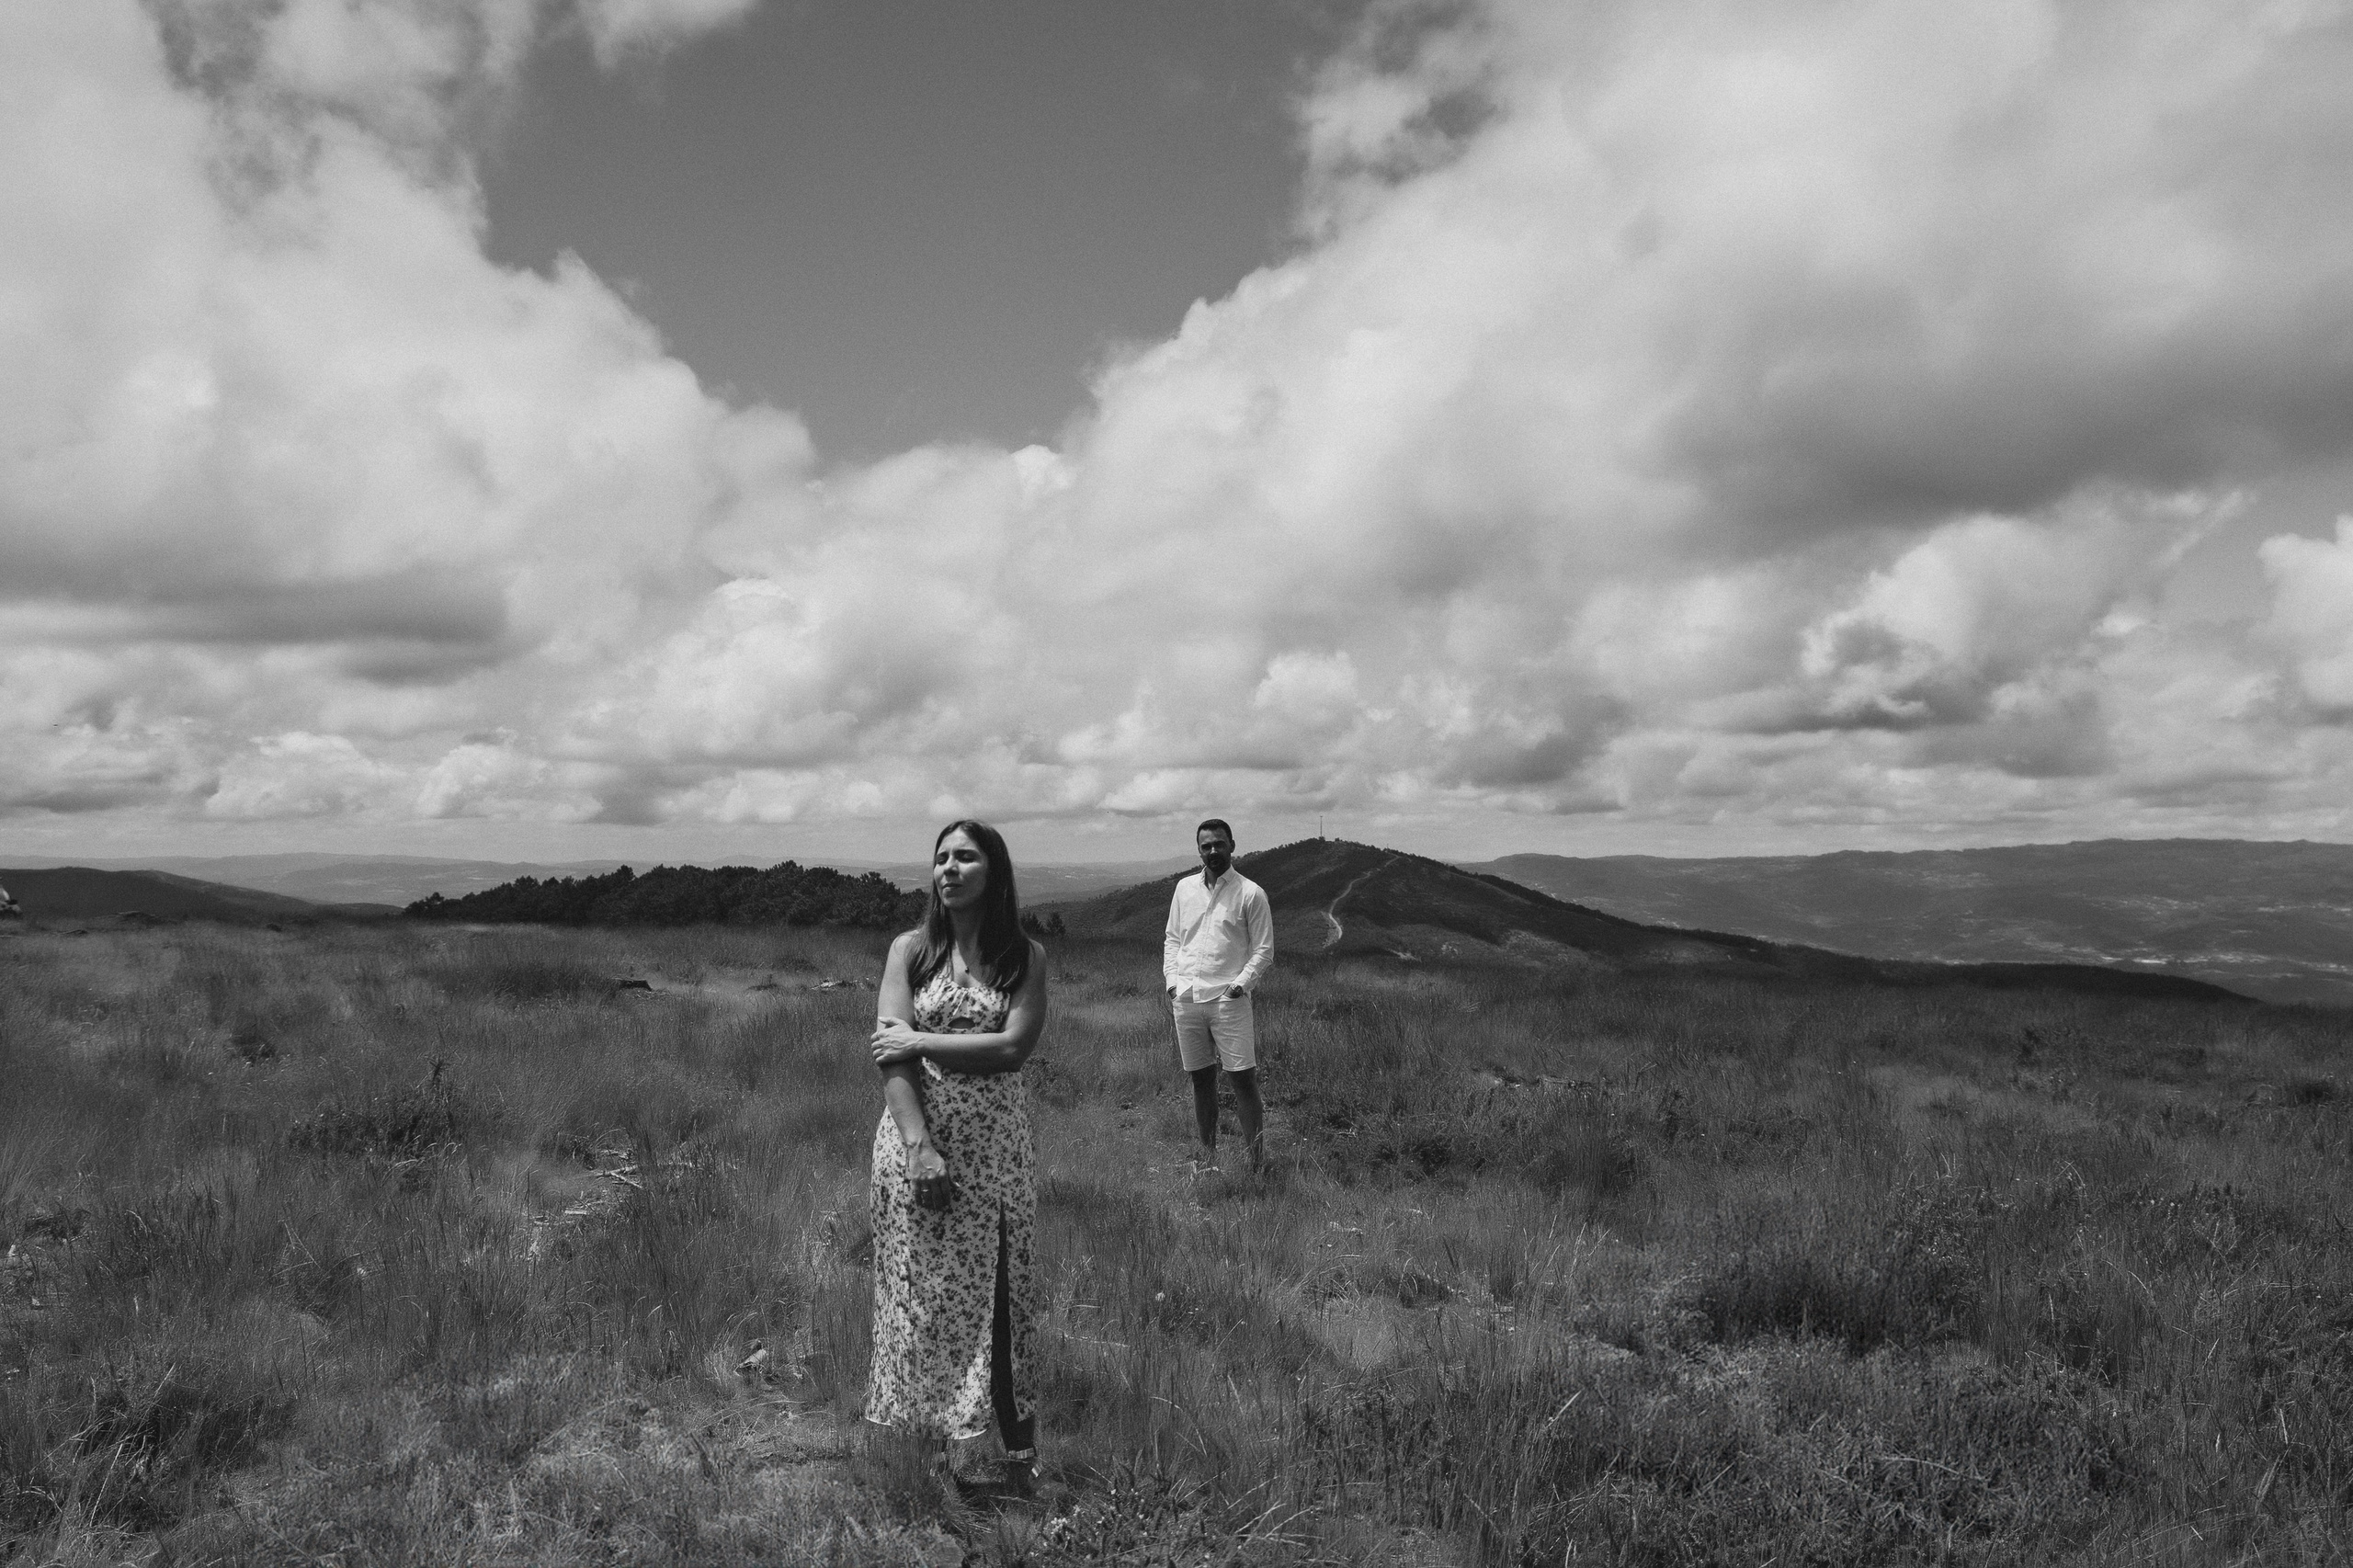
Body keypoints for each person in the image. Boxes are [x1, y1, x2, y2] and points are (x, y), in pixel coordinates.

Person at [866, 820, 1049, 1492]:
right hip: (916, 1152)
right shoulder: (910, 952)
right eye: (941, 857)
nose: (949, 868)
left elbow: (1012, 1048)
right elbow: (889, 1058)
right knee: (921, 1298)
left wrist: (920, 1040)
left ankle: (1015, 1459)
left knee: (1002, 1299)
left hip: (998, 1159)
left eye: (965, 858)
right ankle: (927, 1454)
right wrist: (919, 1149)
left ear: (994, 872)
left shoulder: (1024, 957)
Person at [1163, 818, 1274, 1170]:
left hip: (1229, 1001)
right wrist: (1172, 983)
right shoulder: (1184, 889)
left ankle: (1256, 1164)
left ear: (1232, 846)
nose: (1213, 850)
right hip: (1187, 998)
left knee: (1243, 1079)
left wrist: (1240, 986)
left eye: (1219, 844)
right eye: (1206, 845)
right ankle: (1208, 1158)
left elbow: (1264, 950)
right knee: (1201, 1079)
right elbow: (1173, 939)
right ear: (1199, 850)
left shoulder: (1250, 893)